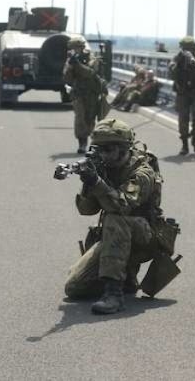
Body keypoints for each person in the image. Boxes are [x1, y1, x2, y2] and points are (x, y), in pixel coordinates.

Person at [63, 118, 172, 314]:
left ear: (124, 149)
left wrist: (97, 182)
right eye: (98, 149)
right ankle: (126, 278)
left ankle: (114, 294)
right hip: (115, 237)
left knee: (115, 218)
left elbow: (122, 205)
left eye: (108, 150)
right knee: (74, 288)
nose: (102, 155)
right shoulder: (104, 168)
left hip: (145, 237)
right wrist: (89, 182)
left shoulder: (142, 171)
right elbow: (86, 210)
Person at [64, 36, 106, 154]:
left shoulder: (92, 58)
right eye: (71, 49)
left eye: (75, 48)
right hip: (78, 93)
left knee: (90, 118)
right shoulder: (72, 60)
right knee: (80, 118)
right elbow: (67, 79)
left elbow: (90, 73)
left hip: (91, 93)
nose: (73, 51)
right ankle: (82, 143)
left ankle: (91, 142)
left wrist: (77, 64)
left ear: (81, 47)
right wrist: (70, 67)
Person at [168, 36, 195, 155]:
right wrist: (178, 65)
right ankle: (184, 144)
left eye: (189, 48)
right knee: (183, 119)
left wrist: (194, 65)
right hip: (183, 92)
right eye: (185, 48)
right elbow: (171, 72)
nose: (187, 50)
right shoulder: (178, 57)